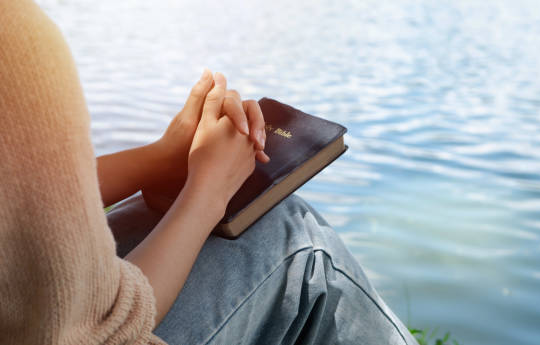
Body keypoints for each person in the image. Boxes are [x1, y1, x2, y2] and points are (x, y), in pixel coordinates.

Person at [0, 1, 417, 344]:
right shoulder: (15, 37)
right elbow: (91, 331)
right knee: (295, 242)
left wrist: (159, 159)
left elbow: (19, 196)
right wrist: (208, 193)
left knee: (155, 216)